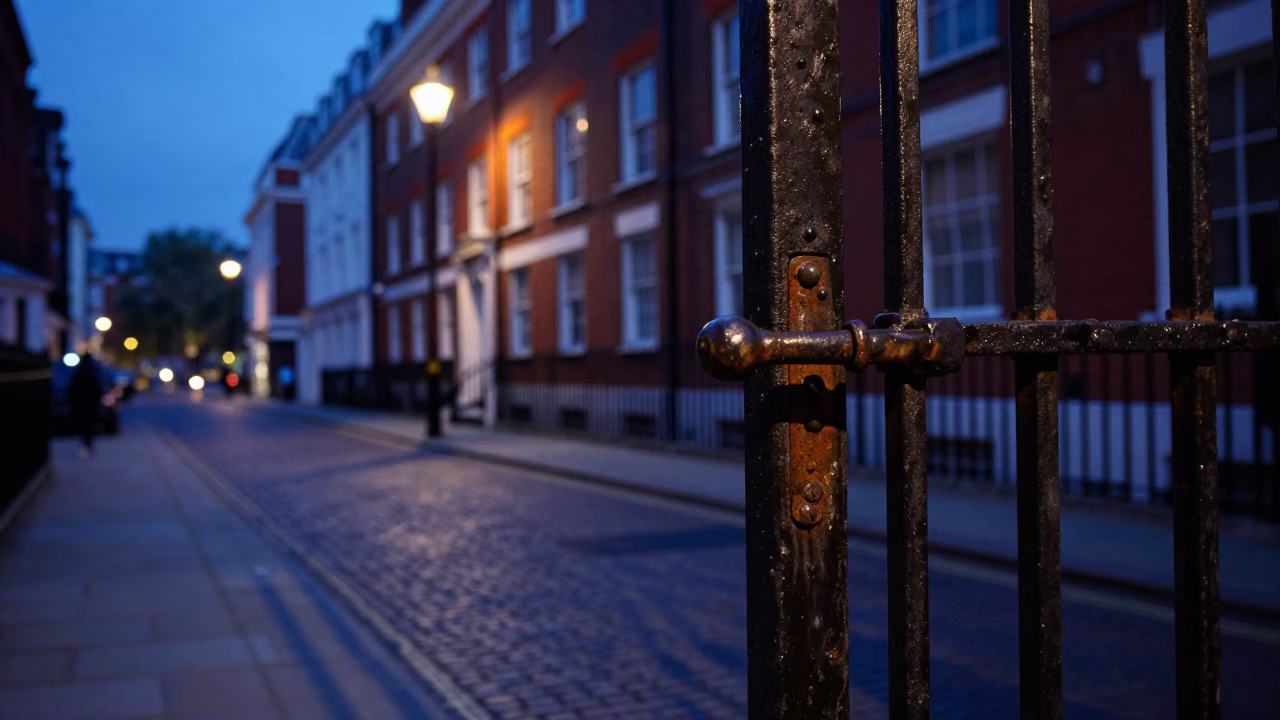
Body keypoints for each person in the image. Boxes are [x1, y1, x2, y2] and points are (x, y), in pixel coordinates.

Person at [68, 353, 103, 457]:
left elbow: (72, 390)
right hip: (89, 404)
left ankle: (85, 443)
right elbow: (98, 390)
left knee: (84, 425)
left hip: (82, 404)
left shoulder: (78, 373)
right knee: (89, 425)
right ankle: (87, 444)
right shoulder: (92, 373)